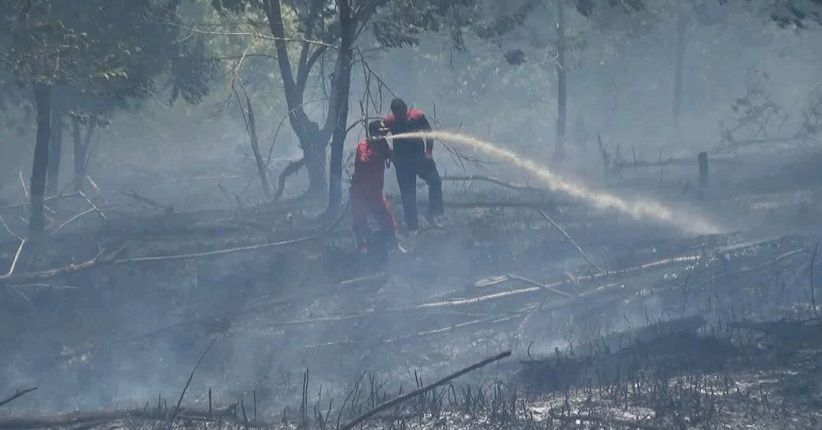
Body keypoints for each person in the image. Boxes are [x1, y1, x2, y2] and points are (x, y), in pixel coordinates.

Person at [383, 98, 443, 231]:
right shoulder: (389, 121)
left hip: (421, 159)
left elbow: (429, 133)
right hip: (402, 163)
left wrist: (428, 152)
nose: (400, 116)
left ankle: (434, 213)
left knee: (435, 181)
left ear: (406, 108)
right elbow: (378, 136)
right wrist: (388, 152)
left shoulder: (417, 116)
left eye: (402, 112)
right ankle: (412, 226)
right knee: (408, 194)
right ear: (394, 113)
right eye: (397, 113)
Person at [350, 120, 397, 253]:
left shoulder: (383, 145)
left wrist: (394, 154)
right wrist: (375, 153)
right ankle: (362, 247)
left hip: (375, 191)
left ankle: (393, 244)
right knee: (360, 218)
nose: (383, 135)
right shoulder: (363, 146)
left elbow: (391, 157)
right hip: (360, 190)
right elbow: (364, 159)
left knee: (386, 217)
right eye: (381, 133)